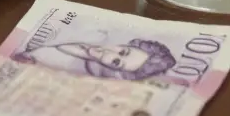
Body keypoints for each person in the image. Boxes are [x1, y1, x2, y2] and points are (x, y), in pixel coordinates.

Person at [14, 38, 176, 81]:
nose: (110, 54)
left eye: (116, 62)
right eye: (122, 51)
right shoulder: (91, 38)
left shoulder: (68, 67)